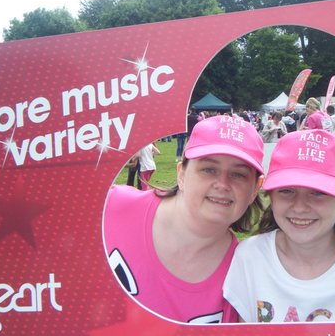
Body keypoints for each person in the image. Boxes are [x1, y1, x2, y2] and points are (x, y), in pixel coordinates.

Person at [223, 129, 335, 323]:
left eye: (318, 193)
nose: (300, 207)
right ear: (271, 197)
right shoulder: (250, 257)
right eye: (287, 190)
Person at [104, 115, 265, 323]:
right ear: (181, 174)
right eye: (209, 169)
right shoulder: (111, 207)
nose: (223, 184)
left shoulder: (244, 273)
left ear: (255, 189)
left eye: (239, 175)